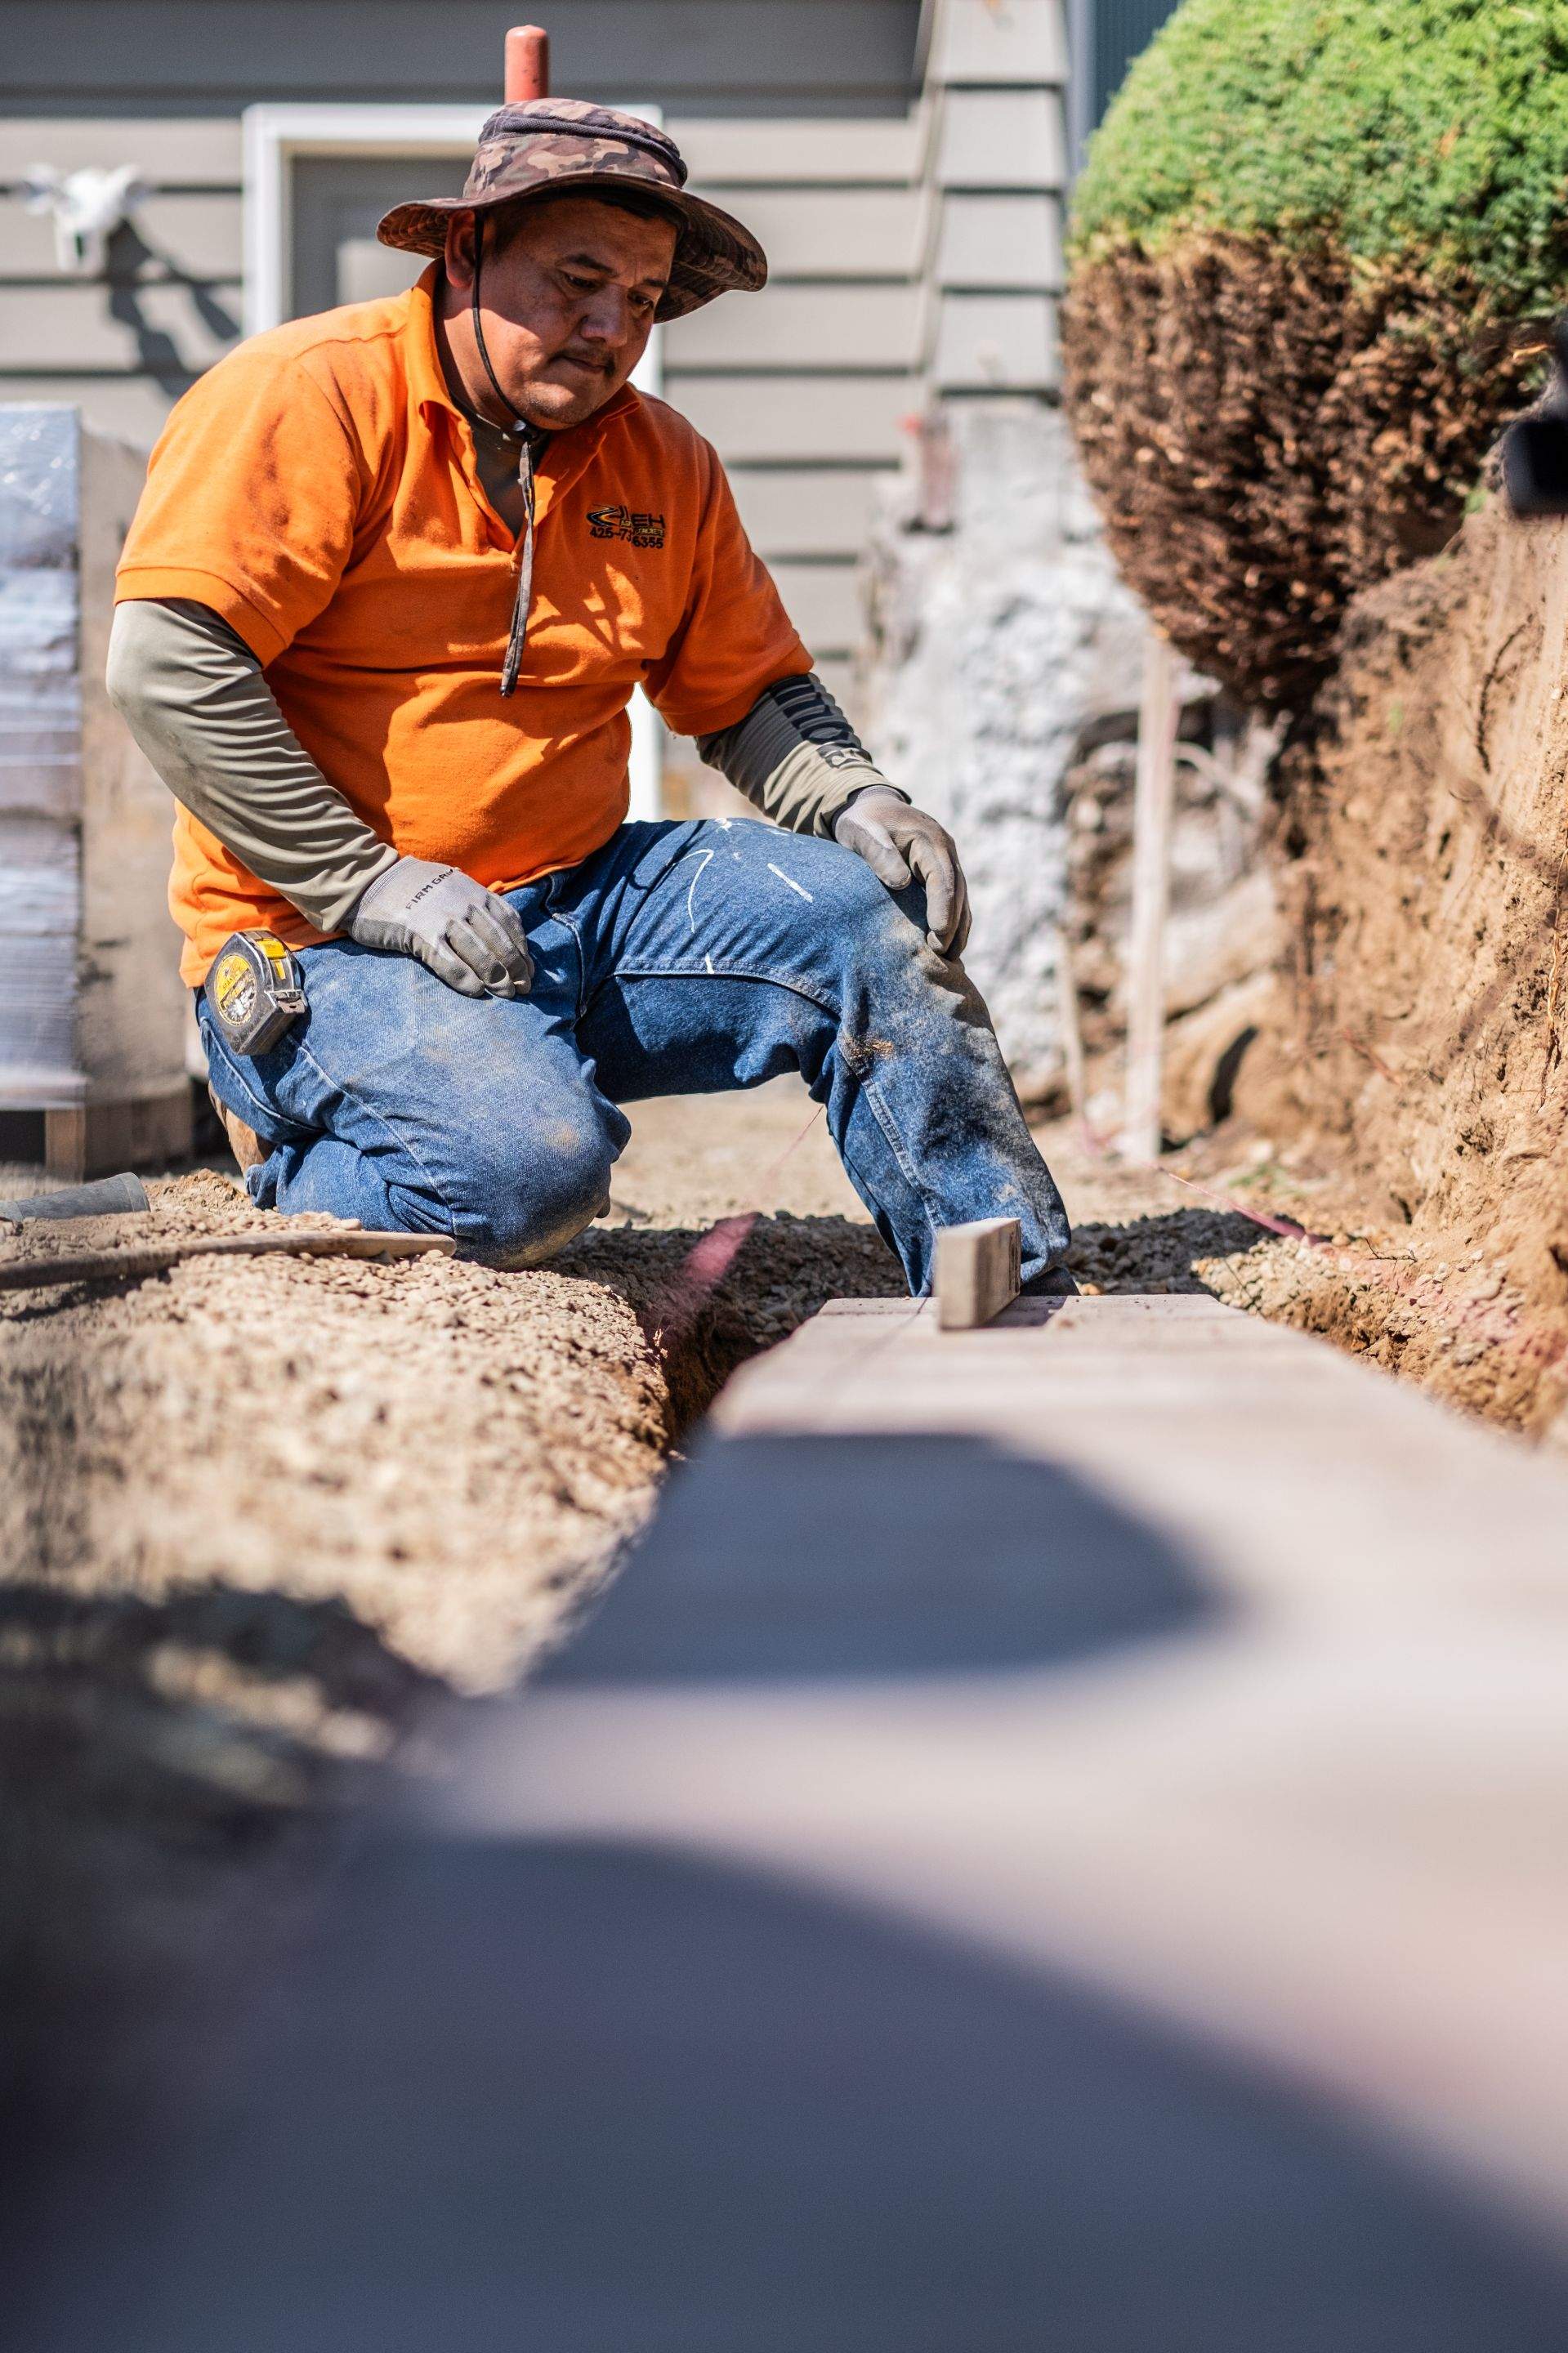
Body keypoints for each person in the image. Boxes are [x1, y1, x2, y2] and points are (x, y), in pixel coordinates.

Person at [107, 99, 1072, 1296]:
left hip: (578, 906)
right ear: (465, 254)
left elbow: (752, 692)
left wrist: (860, 798)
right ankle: (311, 1165)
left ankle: (1003, 1277)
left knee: (866, 920)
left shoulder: (661, 461)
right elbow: (170, 663)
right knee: (527, 1178)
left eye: (646, 300)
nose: (613, 327)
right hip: (326, 942)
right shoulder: (310, 398)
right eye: (577, 281)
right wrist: (371, 883)